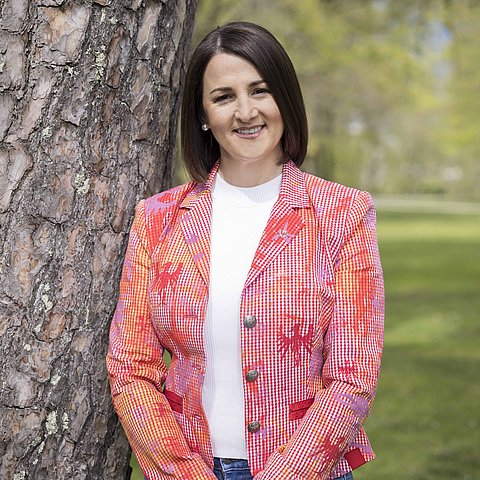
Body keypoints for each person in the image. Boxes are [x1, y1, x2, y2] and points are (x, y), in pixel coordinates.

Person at [106, 21, 384, 480]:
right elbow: (130, 367)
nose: (245, 112)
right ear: (203, 114)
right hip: (189, 466)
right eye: (223, 97)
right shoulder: (158, 218)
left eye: (260, 91)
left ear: (285, 100)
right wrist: (184, 473)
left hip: (307, 469)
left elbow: (353, 375)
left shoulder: (343, 212)